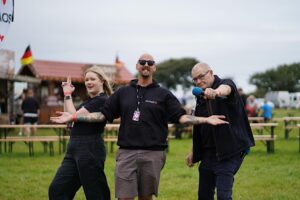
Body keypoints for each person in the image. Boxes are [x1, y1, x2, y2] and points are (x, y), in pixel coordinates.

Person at [51, 53, 228, 200]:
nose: (146, 65)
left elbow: (181, 117)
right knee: (124, 197)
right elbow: (102, 115)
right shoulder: (123, 92)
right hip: (126, 153)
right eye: (142, 62)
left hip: (153, 154)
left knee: (145, 197)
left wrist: (205, 120)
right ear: (137, 66)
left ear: (154, 67)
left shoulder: (163, 94)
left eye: (150, 63)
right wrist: (74, 116)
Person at [186, 62, 255, 200]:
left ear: (210, 73)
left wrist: (216, 92)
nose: (198, 81)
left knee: (223, 196)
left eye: (201, 76)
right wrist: (194, 150)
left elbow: (226, 89)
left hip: (228, 153)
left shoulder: (226, 84)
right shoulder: (200, 96)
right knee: (204, 196)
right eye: (195, 79)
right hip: (207, 154)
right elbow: (201, 126)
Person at [48, 66, 112, 200]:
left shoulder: (102, 100)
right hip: (73, 148)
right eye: (87, 79)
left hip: (90, 148)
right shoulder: (88, 102)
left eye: (92, 79)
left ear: (102, 81)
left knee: (95, 193)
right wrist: (67, 95)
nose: (88, 82)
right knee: (58, 190)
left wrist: (67, 95)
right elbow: (70, 119)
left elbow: (72, 115)